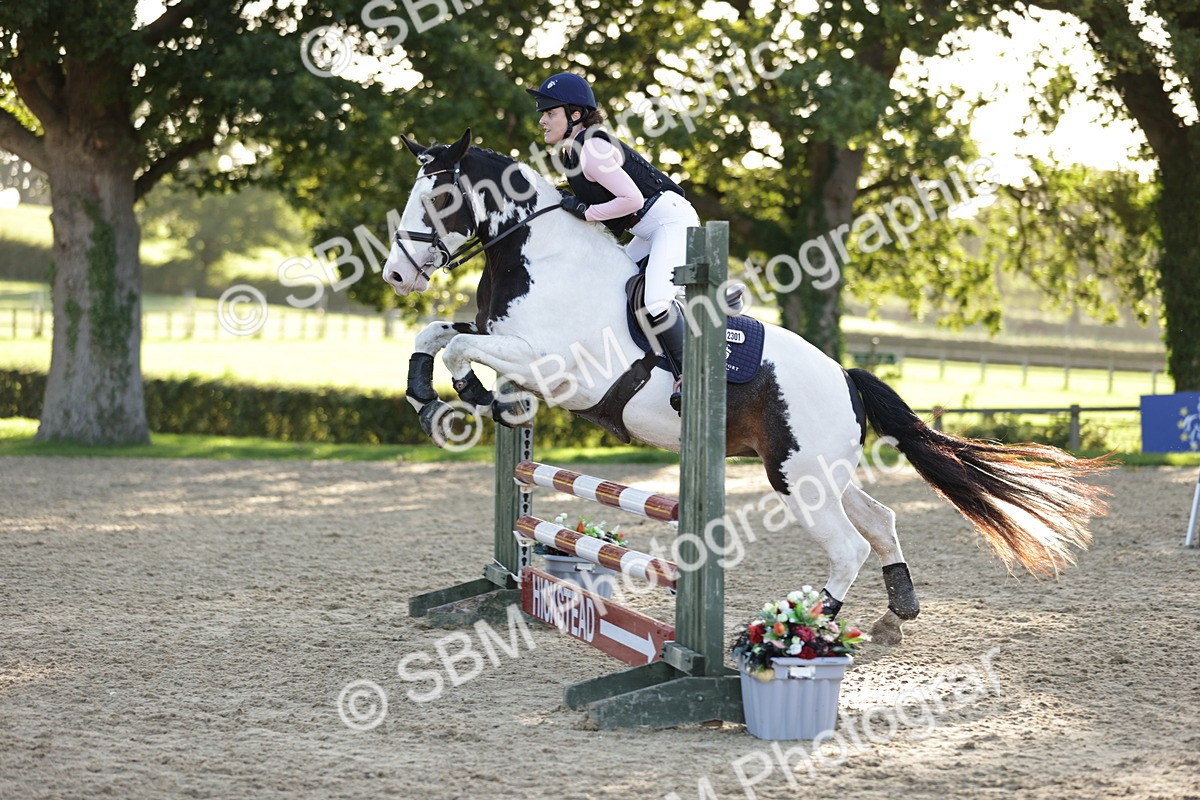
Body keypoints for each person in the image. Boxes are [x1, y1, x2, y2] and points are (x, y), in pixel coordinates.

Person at [526, 72, 699, 413]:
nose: (542, 119)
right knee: (614, 288)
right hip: (647, 229)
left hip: (669, 221)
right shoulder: (573, 151)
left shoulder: (592, 147)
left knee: (655, 301)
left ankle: (691, 375)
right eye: (542, 113)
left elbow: (631, 199)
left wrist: (587, 212)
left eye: (550, 112)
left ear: (575, 114)